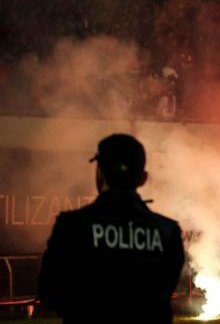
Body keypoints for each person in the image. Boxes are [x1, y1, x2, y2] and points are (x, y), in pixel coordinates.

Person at [38, 134, 185, 323]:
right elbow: (165, 290)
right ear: (143, 178)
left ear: (99, 173)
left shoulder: (72, 226)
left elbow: (50, 294)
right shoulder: (168, 232)